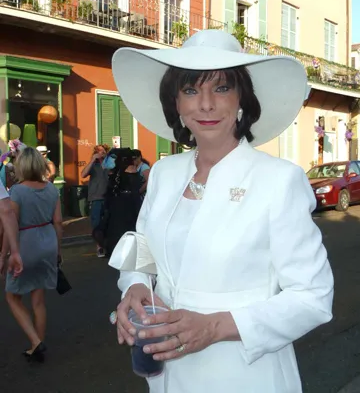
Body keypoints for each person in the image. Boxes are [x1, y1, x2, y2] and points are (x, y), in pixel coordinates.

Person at [110, 30, 334, 392]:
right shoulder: (165, 173)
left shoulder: (279, 180)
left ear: (241, 99)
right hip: (167, 375)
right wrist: (135, 287)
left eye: (222, 88)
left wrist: (214, 327)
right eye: (190, 90)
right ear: (176, 103)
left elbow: (313, 297)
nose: (206, 104)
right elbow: (143, 247)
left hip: (245, 375)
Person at [4, 147, 62, 362]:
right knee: (38, 299)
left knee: (12, 296)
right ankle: (38, 342)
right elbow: (58, 222)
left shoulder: (17, 191)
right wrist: (58, 249)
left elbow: (11, 224)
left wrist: (5, 252)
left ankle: (35, 341)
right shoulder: (52, 189)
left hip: (25, 243)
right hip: (48, 242)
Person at [97, 148, 142, 258]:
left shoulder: (123, 171)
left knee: (120, 231)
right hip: (126, 204)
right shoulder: (126, 169)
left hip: (122, 205)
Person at [81, 144, 109, 258]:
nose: (101, 153)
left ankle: (107, 245)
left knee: (108, 222)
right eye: (99, 151)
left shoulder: (109, 164)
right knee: (96, 224)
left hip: (108, 198)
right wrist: (93, 160)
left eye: (103, 151)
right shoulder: (93, 165)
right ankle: (99, 247)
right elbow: (83, 174)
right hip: (96, 198)